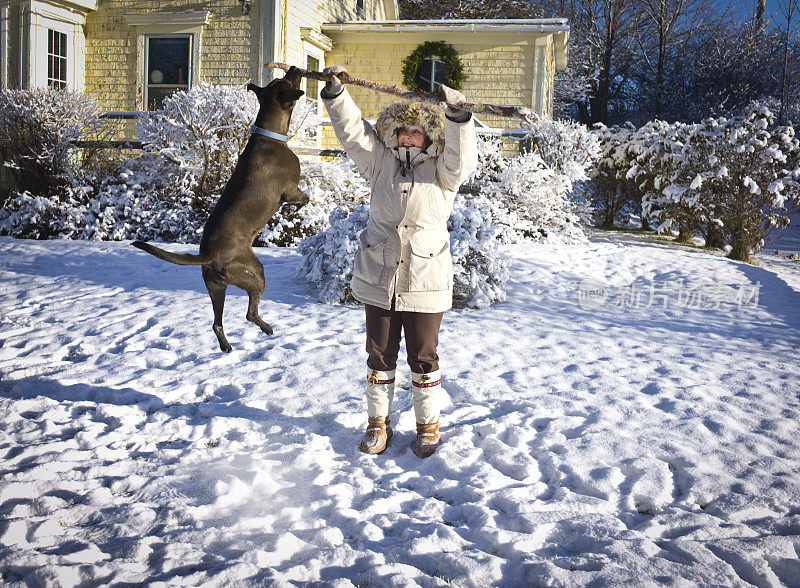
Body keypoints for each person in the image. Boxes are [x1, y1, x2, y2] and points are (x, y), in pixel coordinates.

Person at [321, 65, 478, 458]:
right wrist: (337, 94)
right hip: (380, 275)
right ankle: (378, 424)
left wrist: (457, 117)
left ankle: (428, 427)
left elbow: (462, 156)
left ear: (428, 136)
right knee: (379, 354)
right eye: (402, 130)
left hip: (425, 277)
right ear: (393, 133)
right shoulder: (379, 162)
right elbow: (353, 134)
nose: (408, 137)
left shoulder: (444, 171)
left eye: (416, 131)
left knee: (424, 356)